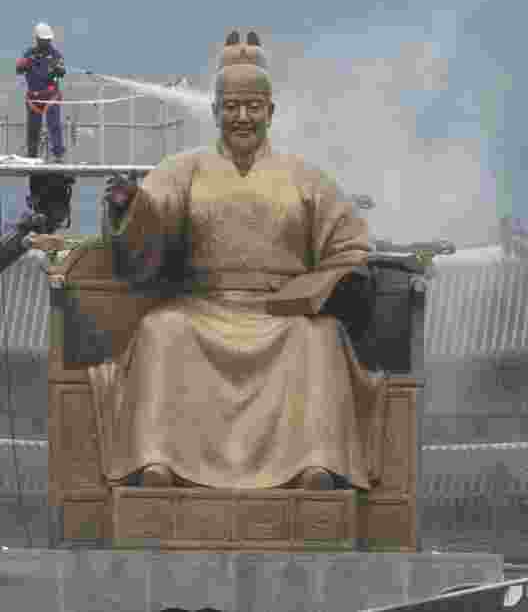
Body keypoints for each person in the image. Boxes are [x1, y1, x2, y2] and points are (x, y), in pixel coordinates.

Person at [92, 30, 381, 492]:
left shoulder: (307, 178)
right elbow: (149, 225)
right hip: (202, 306)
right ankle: (158, 462)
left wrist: (326, 283)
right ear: (213, 111)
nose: (242, 118)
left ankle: (316, 464)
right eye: (231, 107)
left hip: (281, 314)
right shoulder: (181, 170)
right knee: (161, 330)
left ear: (271, 111)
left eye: (253, 107)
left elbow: (348, 245)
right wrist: (129, 207)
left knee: (320, 338)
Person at [15, 22, 67, 160]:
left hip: (51, 96)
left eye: (48, 40)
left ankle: (58, 155)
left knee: (54, 125)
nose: (46, 42)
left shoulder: (55, 54)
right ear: (37, 39)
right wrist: (22, 65)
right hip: (34, 98)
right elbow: (19, 69)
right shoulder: (29, 53)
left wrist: (59, 69)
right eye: (43, 40)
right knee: (33, 128)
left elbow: (61, 72)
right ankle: (32, 156)